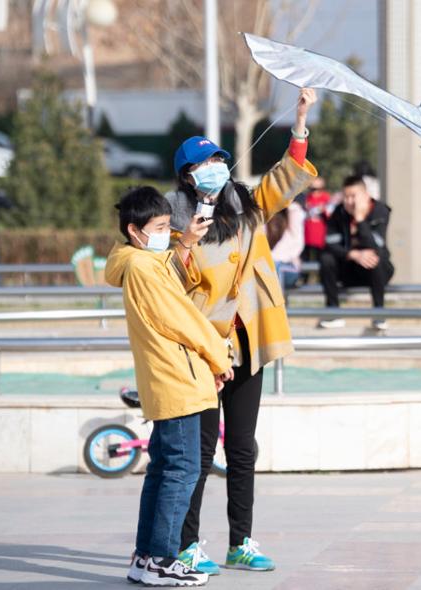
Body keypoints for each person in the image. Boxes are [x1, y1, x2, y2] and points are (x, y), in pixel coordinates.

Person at [164, 87, 318, 575]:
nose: (215, 167)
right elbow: (165, 281)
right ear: (187, 176)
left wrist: (299, 121)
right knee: (199, 451)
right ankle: (186, 544)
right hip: (202, 351)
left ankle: (241, 542)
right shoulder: (173, 221)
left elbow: (287, 177)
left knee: (243, 448)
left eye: (219, 160)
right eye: (204, 163)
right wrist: (185, 243)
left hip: (247, 342)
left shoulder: (247, 203)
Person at [105, 186, 233, 587]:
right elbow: (182, 319)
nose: (166, 233)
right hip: (177, 379)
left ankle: (145, 557)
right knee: (182, 469)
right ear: (134, 230)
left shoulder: (140, 261)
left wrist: (186, 240)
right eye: (159, 227)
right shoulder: (144, 268)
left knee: (163, 469)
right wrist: (219, 354)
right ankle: (161, 558)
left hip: (170, 378)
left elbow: (170, 269)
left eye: (167, 225)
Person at [318, 174, 394, 330]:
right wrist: (353, 254)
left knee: (375, 257)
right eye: (345, 197)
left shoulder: (380, 210)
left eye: (353, 196)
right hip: (349, 268)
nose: (349, 201)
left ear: (366, 195)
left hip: (376, 272)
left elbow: (377, 246)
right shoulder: (339, 212)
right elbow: (330, 243)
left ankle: (379, 314)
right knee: (326, 258)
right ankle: (333, 312)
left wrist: (360, 220)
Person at [267, 199, 305, 290]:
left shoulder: (293, 211)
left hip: (287, 265)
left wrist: (288, 204)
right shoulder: (267, 216)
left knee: (276, 268)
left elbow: (297, 244)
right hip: (272, 265)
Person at [300, 176, 331, 281]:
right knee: (305, 261)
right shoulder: (306, 198)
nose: (315, 192)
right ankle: (303, 281)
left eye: (318, 189)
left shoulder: (326, 198)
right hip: (306, 237)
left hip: (321, 238)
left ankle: (322, 281)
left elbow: (330, 216)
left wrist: (324, 210)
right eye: (312, 189)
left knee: (321, 262)